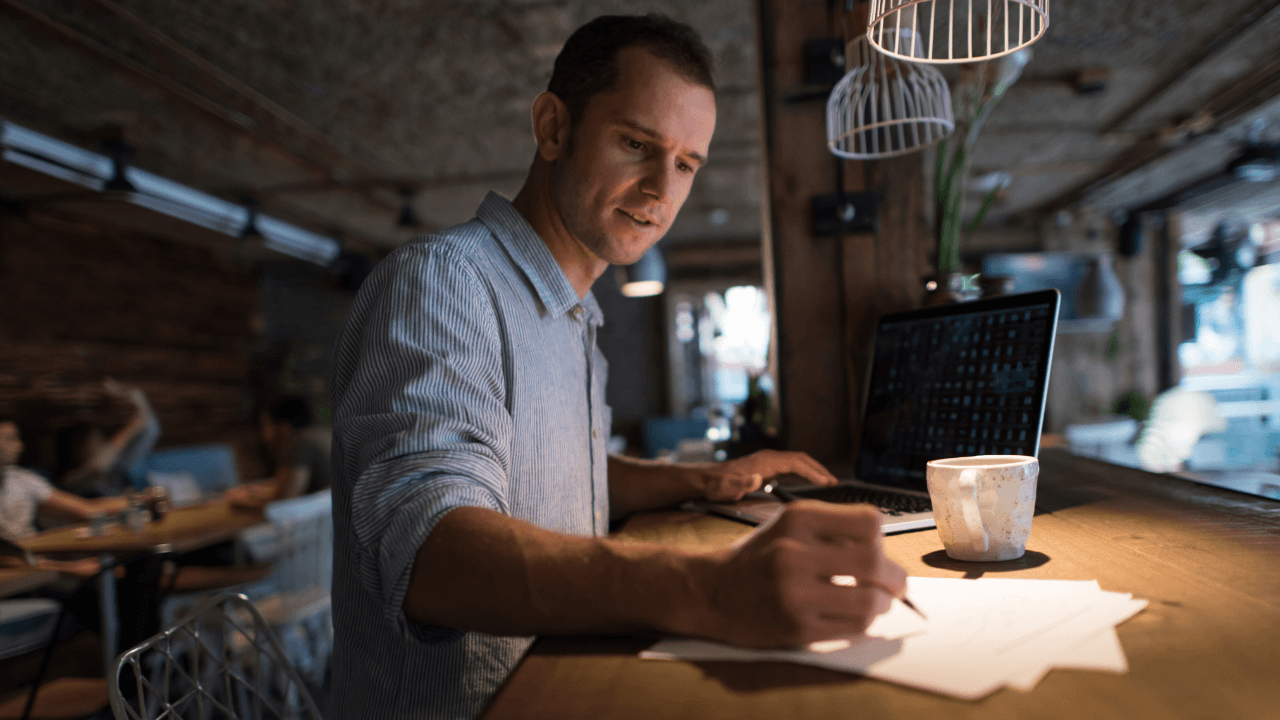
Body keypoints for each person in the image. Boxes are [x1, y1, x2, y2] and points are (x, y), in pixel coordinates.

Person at [329, 14, 907, 720]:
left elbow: (563, 473)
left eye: (687, 163)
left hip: (564, 684)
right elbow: (431, 554)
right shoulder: (443, 284)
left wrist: (703, 479)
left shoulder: (579, 317)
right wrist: (707, 587)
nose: (662, 188)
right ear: (553, 128)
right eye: (637, 144)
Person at [0, 416, 126, 575]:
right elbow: (7, 560)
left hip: (37, 563)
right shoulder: (75, 477)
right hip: (22, 575)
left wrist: (139, 500)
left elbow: (88, 510)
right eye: (10, 439)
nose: (20, 446)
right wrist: (71, 569)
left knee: (121, 570)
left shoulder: (22, 479)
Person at [55, 378, 161, 498]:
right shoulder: (69, 482)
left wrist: (126, 393)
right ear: (76, 447)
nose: (102, 444)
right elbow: (97, 466)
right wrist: (132, 427)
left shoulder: (116, 470)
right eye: (95, 440)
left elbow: (151, 427)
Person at [226, 395, 332, 506]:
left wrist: (239, 502)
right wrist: (259, 491)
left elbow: (284, 501)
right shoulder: (323, 434)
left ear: (283, 427)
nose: (264, 435)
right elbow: (293, 486)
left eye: (266, 425)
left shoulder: (300, 443)